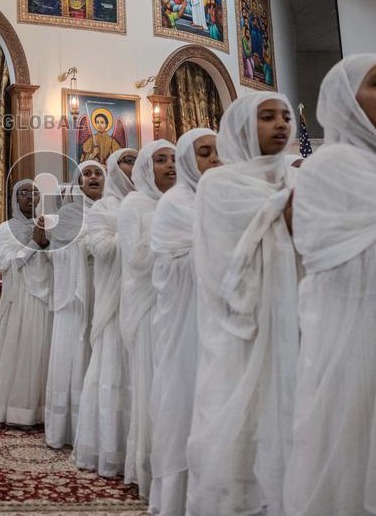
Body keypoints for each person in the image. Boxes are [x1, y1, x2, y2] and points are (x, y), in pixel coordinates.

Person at [285, 54, 376, 515]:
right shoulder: (328, 168)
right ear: (345, 103)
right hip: (359, 342)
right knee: (360, 456)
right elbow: (327, 256)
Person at [186, 92, 300, 516]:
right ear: (239, 129)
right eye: (266, 117)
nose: (281, 125)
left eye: (285, 116)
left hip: (296, 313)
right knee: (241, 417)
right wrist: (282, 209)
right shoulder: (221, 183)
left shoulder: (296, 176)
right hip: (243, 323)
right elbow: (219, 262)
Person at [148, 128, 220, 516]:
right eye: (205, 153)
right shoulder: (175, 203)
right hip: (186, 315)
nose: (215, 160)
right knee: (187, 393)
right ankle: (184, 491)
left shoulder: (223, 196)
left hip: (221, 315)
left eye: (219, 152)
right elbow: (172, 263)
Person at [117, 139, 176, 497]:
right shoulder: (134, 205)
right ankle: (153, 466)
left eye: (173, 158)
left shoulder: (183, 199)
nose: (170, 165)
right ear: (144, 168)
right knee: (154, 385)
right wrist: (172, 235)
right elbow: (136, 261)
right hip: (149, 304)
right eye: (160, 160)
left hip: (178, 302)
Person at [74, 148, 137, 477]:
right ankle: (113, 446)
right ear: (114, 169)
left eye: (137, 160)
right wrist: (135, 229)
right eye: (127, 161)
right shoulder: (104, 208)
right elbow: (100, 248)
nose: (134, 166)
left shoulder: (149, 203)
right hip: (115, 301)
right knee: (115, 367)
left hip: (146, 301)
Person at [44, 161, 104, 449]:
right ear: (79, 184)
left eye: (98, 174)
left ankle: (100, 422)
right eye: (87, 175)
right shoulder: (69, 213)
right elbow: (60, 251)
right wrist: (93, 242)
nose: (93, 178)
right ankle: (72, 424)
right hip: (77, 292)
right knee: (77, 347)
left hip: (105, 286)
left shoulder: (112, 209)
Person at [0, 180, 54, 427]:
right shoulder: (6, 228)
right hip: (20, 295)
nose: (29, 197)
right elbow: (6, 263)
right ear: (15, 198)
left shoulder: (48, 225)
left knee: (43, 348)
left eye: (34, 192)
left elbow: (58, 260)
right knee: (22, 346)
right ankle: (17, 411)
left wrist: (46, 243)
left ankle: (43, 411)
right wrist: (34, 243)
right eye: (23, 192)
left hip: (45, 292)